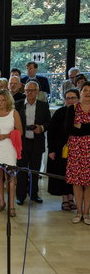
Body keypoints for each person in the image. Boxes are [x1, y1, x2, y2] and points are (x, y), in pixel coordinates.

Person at [0, 90, 23, 217]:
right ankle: (2, 202)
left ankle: (12, 206)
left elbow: (20, 131)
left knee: (11, 176)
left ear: (8, 100)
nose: (0, 102)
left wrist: (6, 135)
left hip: (9, 146)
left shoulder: (14, 113)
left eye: (3, 100)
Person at [15, 81, 51, 205]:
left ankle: (34, 194)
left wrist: (41, 127)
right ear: (24, 91)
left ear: (37, 91)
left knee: (35, 171)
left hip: (37, 142)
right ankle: (20, 196)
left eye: (32, 90)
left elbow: (48, 123)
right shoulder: (17, 105)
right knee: (21, 170)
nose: (29, 93)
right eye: (27, 90)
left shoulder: (43, 105)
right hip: (22, 143)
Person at [48, 89, 78, 211]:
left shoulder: (82, 112)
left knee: (74, 175)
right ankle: (65, 199)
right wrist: (51, 150)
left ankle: (72, 198)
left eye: (73, 98)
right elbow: (51, 132)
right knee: (62, 174)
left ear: (78, 98)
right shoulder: (59, 112)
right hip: (60, 150)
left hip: (78, 149)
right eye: (68, 98)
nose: (70, 100)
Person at [65, 81, 90, 224]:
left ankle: (86, 213)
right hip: (76, 150)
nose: (87, 93)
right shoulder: (73, 108)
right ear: (80, 92)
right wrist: (87, 128)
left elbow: (77, 129)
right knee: (77, 182)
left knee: (89, 183)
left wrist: (80, 126)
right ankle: (78, 211)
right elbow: (68, 129)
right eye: (85, 90)